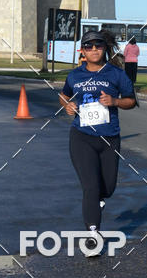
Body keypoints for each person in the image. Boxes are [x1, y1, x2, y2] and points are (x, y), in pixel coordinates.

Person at [58, 29, 136, 255]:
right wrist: (67, 105)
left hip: (109, 137)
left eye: (98, 45)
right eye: (89, 46)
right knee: (90, 186)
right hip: (81, 137)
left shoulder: (116, 74)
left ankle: (99, 199)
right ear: (82, 51)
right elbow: (63, 95)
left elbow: (131, 101)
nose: (94, 49)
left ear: (104, 49)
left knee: (108, 187)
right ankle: (93, 234)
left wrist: (115, 101)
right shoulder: (75, 75)